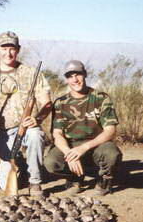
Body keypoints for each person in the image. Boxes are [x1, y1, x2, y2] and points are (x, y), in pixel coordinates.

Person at [0, 31, 52, 196]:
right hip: (2, 132)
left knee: (36, 135)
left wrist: (37, 119)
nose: (8, 53)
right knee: (5, 185)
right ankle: (19, 165)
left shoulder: (31, 72)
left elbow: (47, 103)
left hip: (27, 128)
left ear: (18, 49)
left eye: (12, 48)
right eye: (4, 48)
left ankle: (35, 182)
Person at [44, 60, 122, 195]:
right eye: (70, 76)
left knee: (111, 154)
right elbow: (57, 134)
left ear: (85, 74)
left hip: (96, 144)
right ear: (66, 79)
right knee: (51, 162)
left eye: (78, 74)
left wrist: (84, 148)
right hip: (71, 145)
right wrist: (69, 154)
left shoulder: (101, 98)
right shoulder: (60, 102)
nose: (75, 79)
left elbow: (110, 131)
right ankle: (74, 179)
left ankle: (104, 180)